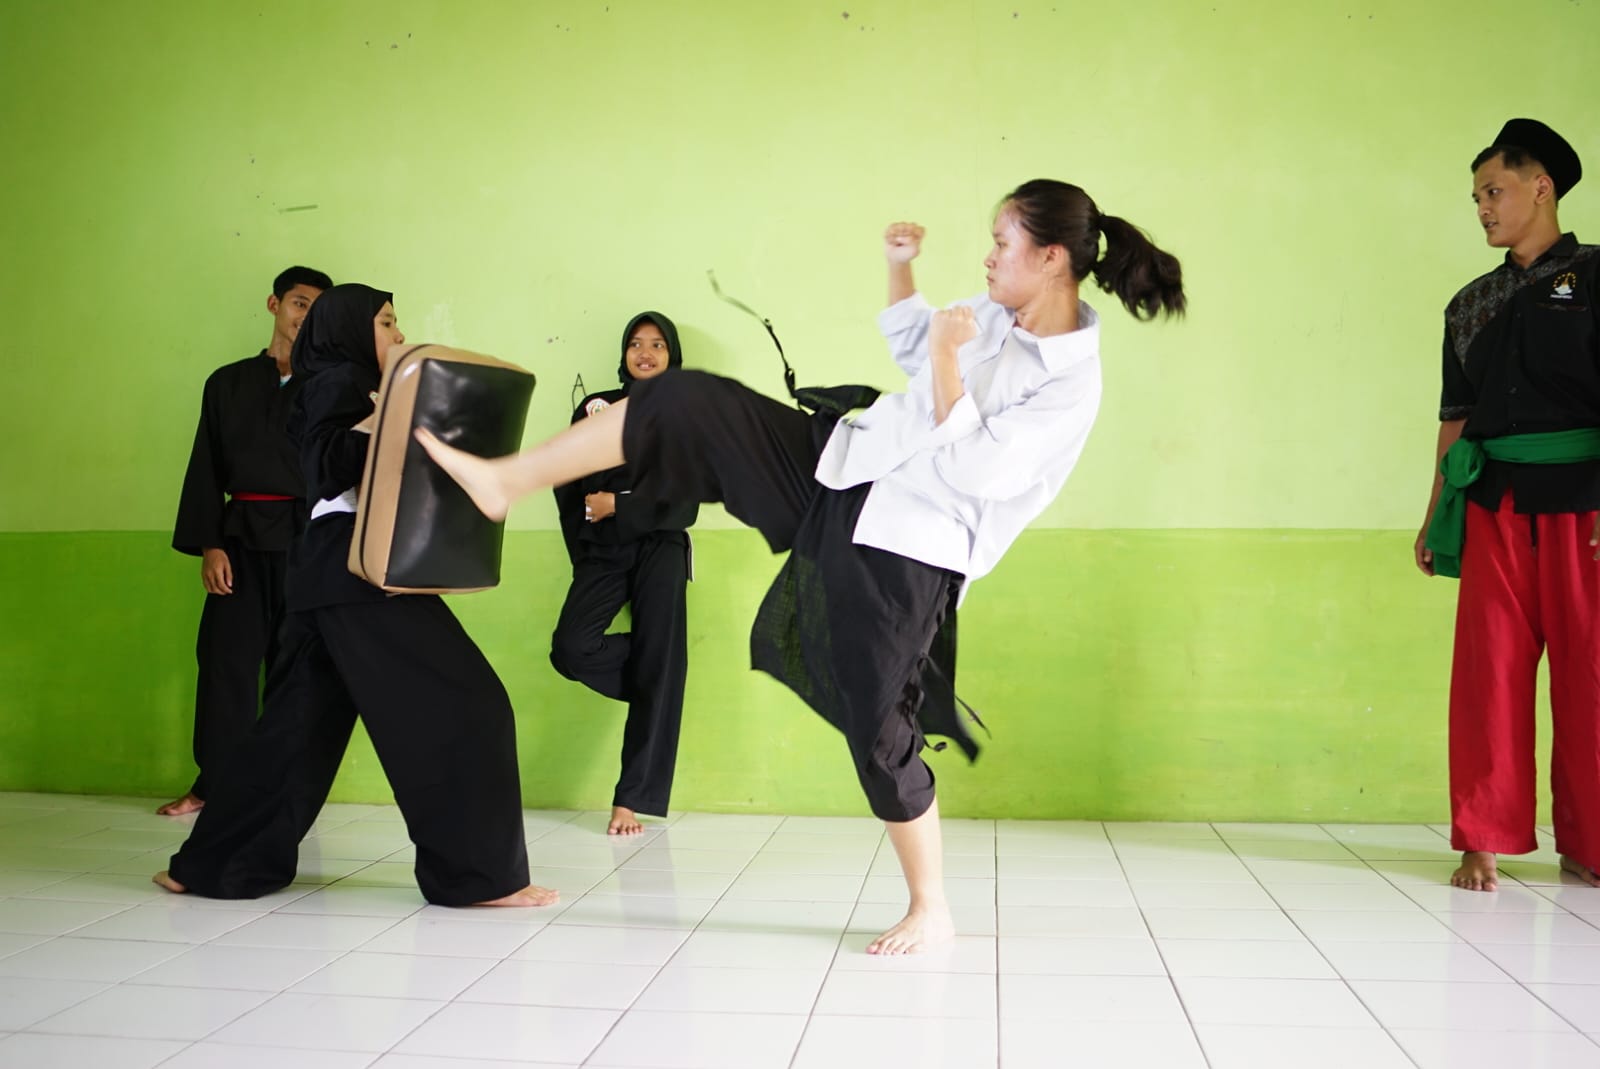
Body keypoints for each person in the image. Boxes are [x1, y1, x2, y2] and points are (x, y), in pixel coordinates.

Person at [417, 179, 1184, 952]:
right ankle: (507, 479)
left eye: (1002, 243)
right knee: (689, 401)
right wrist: (901, 268)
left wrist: (950, 362)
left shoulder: (1070, 381)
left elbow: (975, 470)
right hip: (848, 464)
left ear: (1051, 258)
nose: (987, 258)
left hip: (913, 546)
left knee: (879, 731)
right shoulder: (994, 313)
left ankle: (931, 906)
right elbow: (919, 350)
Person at [156, 283, 556, 909]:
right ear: (344, 328)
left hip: (326, 572)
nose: (397, 336)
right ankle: (478, 878)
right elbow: (329, 462)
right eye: (387, 323)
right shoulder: (339, 380)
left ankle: (211, 865)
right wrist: (390, 415)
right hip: (353, 573)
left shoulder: (339, 380)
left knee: (293, 734)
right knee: (470, 705)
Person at [1416, 118, 1600, 892]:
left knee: (1592, 675)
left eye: (1494, 191)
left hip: (1587, 505)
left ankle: (1589, 843)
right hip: (1491, 503)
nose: (1484, 207)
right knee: (1487, 673)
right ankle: (1482, 838)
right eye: (1477, 196)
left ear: (1541, 187)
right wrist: (1432, 514)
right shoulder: (1470, 303)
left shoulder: (1596, 278)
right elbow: (1454, 420)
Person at [163, 265, 332, 817]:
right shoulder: (228, 383)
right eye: (298, 303)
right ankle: (213, 783)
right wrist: (211, 544)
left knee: (298, 668)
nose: (304, 316)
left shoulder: (333, 387)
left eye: (315, 308)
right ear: (275, 304)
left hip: (307, 541)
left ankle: (285, 788)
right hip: (237, 540)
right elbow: (206, 468)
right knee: (225, 663)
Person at [551, 312, 698, 836]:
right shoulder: (596, 407)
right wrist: (583, 549)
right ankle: (658, 676)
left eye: (657, 345)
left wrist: (621, 504)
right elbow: (566, 483)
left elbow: (685, 503)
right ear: (624, 353)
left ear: (671, 354)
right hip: (603, 552)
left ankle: (628, 801)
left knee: (660, 662)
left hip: (660, 546)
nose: (646, 352)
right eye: (636, 344)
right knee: (571, 648)